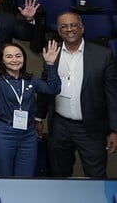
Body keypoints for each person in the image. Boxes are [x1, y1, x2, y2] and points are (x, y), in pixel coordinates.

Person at [36, 11, 117, 178]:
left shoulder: (103, 55)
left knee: (96, 175)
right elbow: (46, 87)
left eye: (73, 25)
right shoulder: (52, 52)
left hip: (92, 127)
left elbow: (112, 95)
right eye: (64, 26)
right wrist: (38, 117)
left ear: (82, 29)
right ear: (59, 31)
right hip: (60, 125)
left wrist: (114, 130)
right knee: (59, 173)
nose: (69, 29)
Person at [0, 29, 61, 176]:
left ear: (24, 59)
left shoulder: (31, 80)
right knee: (4, 175)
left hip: (28, 134)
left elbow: (53, 89)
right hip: (4, 132)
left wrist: (50, 64)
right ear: (2, 60)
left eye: (18, 56)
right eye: (9, 57)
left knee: (25, 177)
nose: (14, 60)